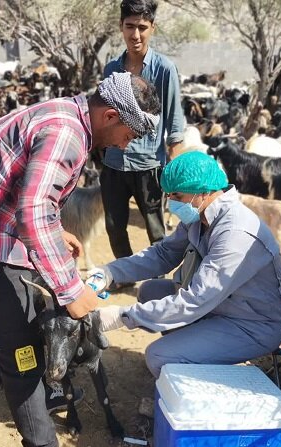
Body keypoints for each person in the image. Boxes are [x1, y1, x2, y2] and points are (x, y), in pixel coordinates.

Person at [0, 72, 161, 447]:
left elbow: (35, 197)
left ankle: (43, 393)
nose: (125, 144)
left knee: (29, 323)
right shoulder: (66, 135)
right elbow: (35, 210)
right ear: (110, 117)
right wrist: (71, 290)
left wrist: (58, 231)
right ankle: (41, 440)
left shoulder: (67, 114)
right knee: (20, 345)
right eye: (129, 134)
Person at [91, 151, 281, 378]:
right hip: (220, 305)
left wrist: (121, 316)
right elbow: (164, 254)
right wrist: (110, 272)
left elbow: (195, 300)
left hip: (250, 324)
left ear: (202, 192)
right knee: (150, 291)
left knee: (159, 357)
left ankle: (197, 380)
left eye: (177, 196)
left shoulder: (235, 232)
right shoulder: (201, 214)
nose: (172, 202)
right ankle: (192, 352)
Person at [100, 0, 185, 289]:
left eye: (142, 27)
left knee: (155, 229)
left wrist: (175, 170)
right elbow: (104, 113)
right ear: (121, 27)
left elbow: (174, 122)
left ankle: (160, 282)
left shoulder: (164, 69)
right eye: (129, 27)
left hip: (149, 164)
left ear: (152, 28)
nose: (135, 35)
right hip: (113, 162)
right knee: (114, 226)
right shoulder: (112, 67)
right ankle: (124, 276)